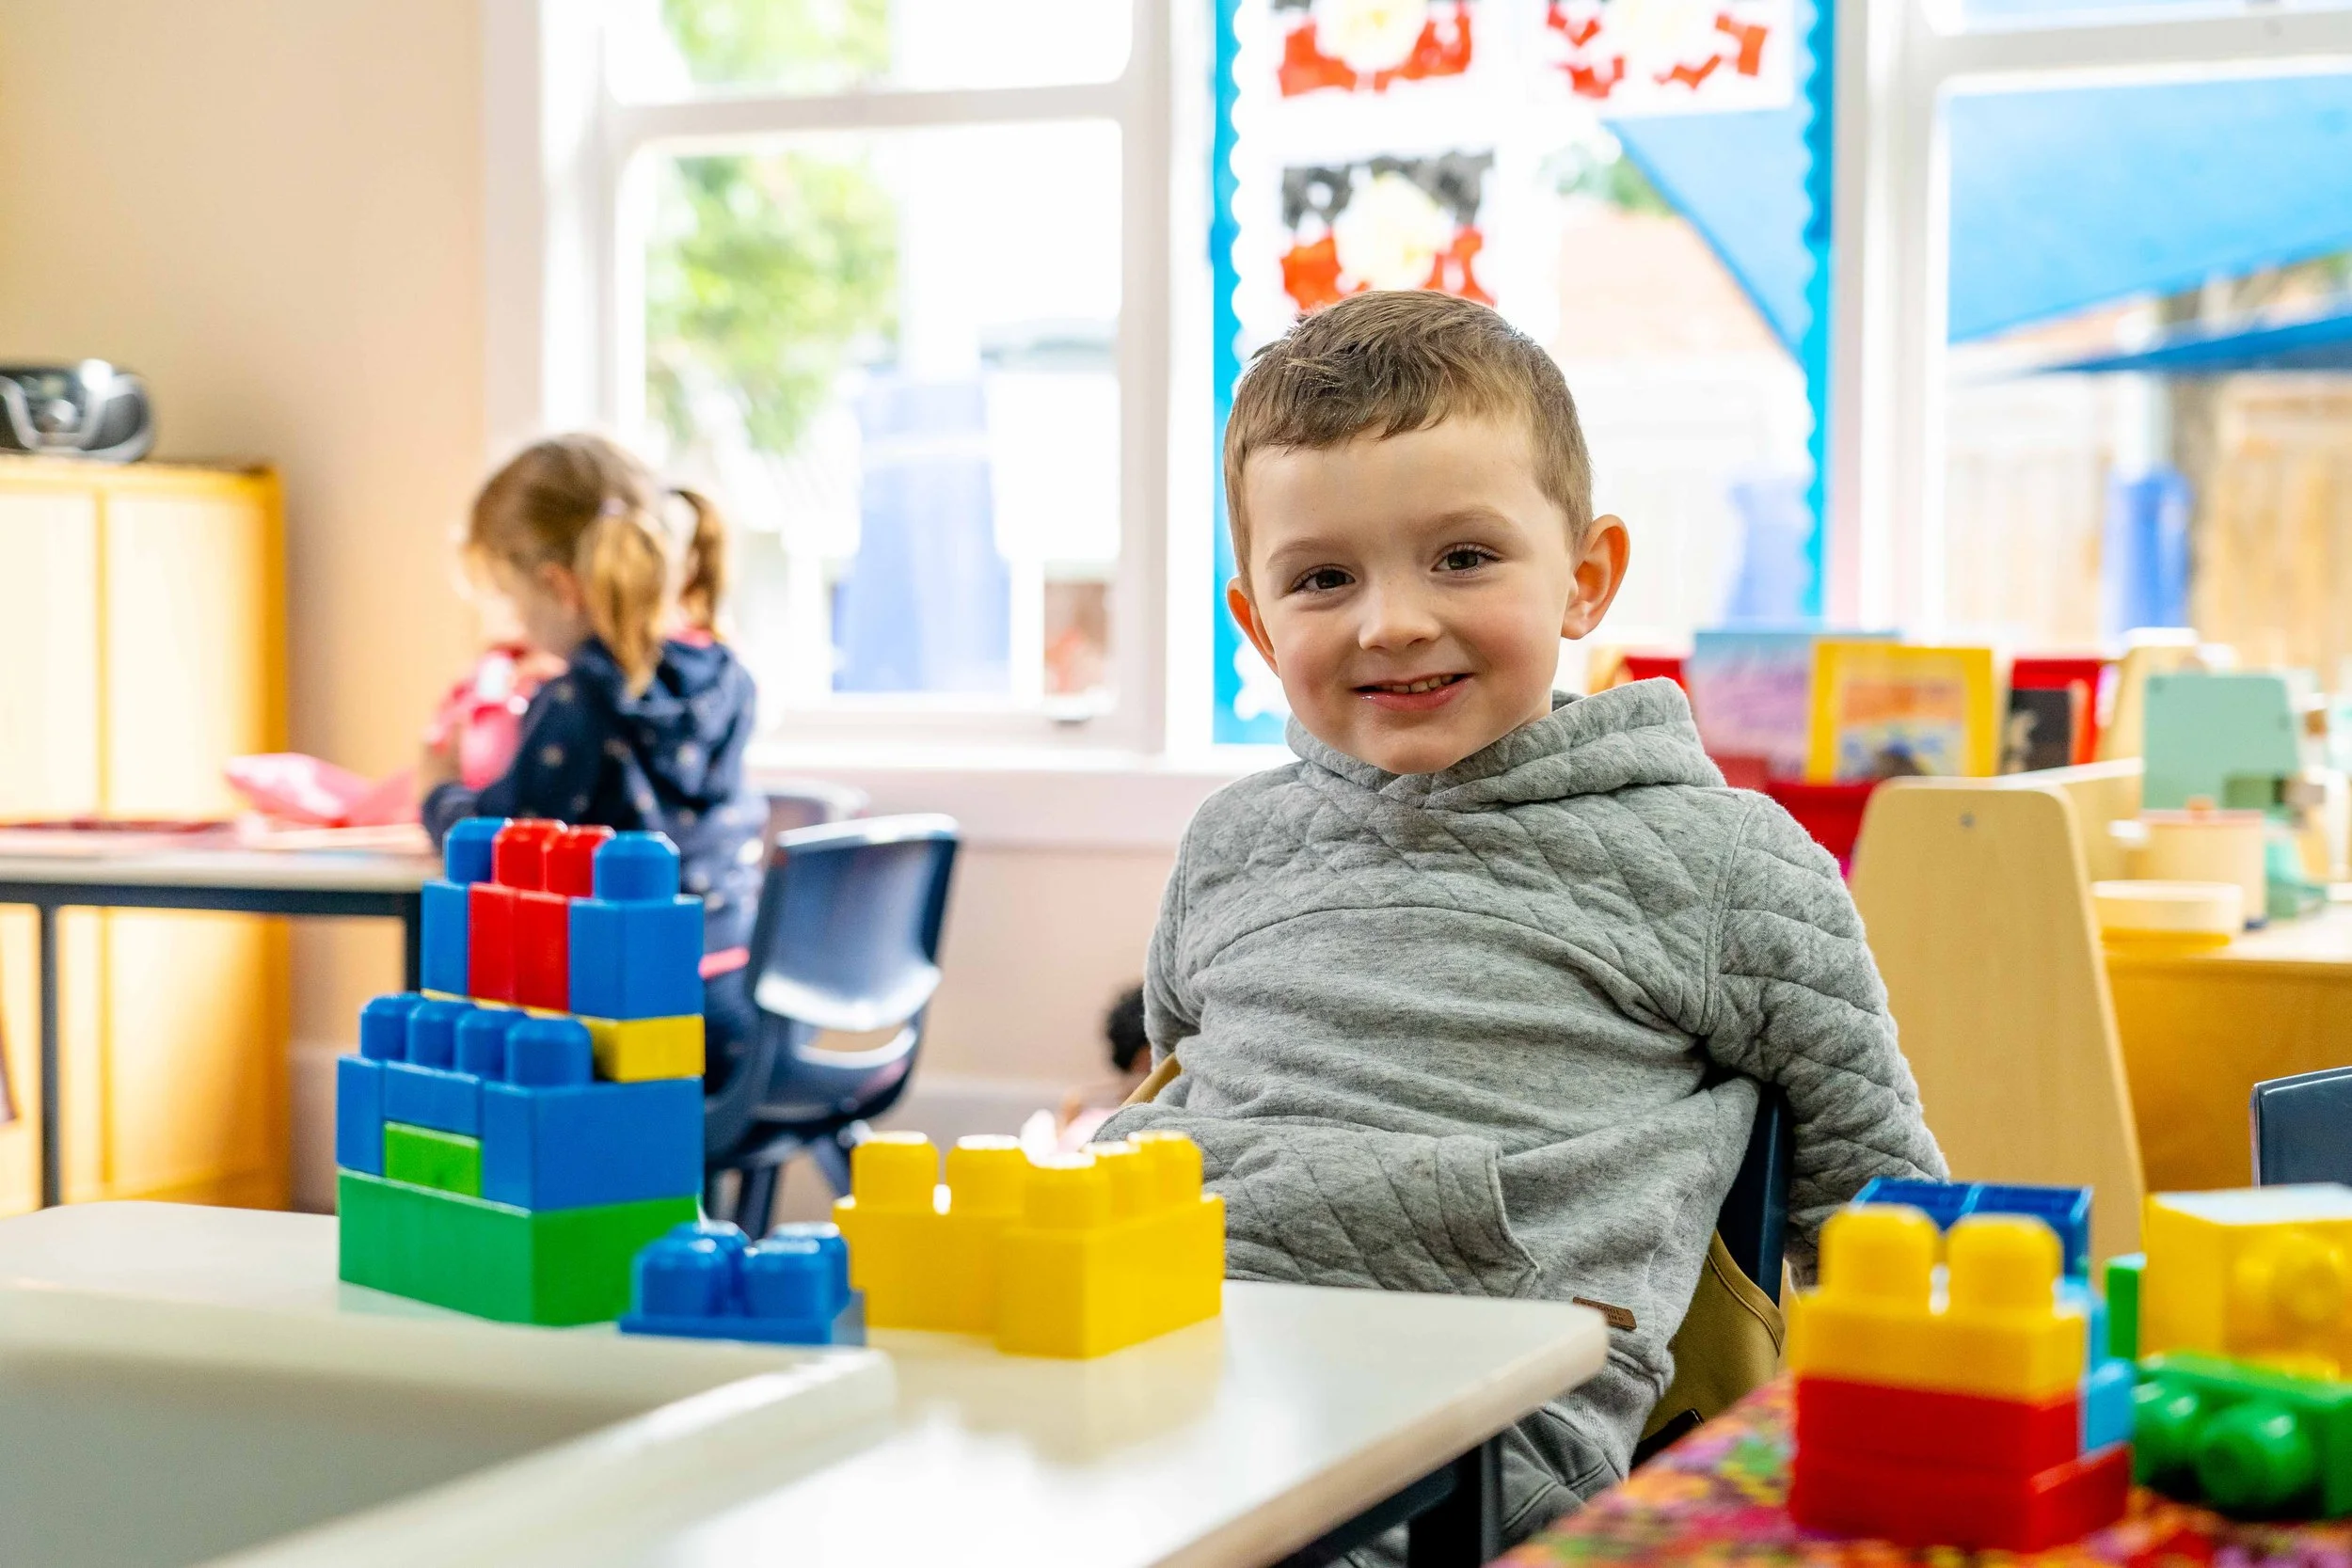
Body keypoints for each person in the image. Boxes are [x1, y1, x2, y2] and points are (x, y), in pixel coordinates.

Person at [1097, 291, 1946, 1544]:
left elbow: (1881, 1205)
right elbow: (1176, 1094)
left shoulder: (1723, 863)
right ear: (1259, 625)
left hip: (1474, 1447)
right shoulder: (1230, 845)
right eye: (1324, 577)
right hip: (1151, 1364)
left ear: (1586, 577)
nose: (1393, 619)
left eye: (1463, 556)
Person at [419, 436, 769, 1086]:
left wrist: (435, 789)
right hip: (740, 1004)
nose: (518, 627)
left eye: (516, 602)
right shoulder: (726, 675)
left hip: (631, 1024)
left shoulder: (578, 699)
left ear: (558, 587)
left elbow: (494, 848)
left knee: (462, 1023)